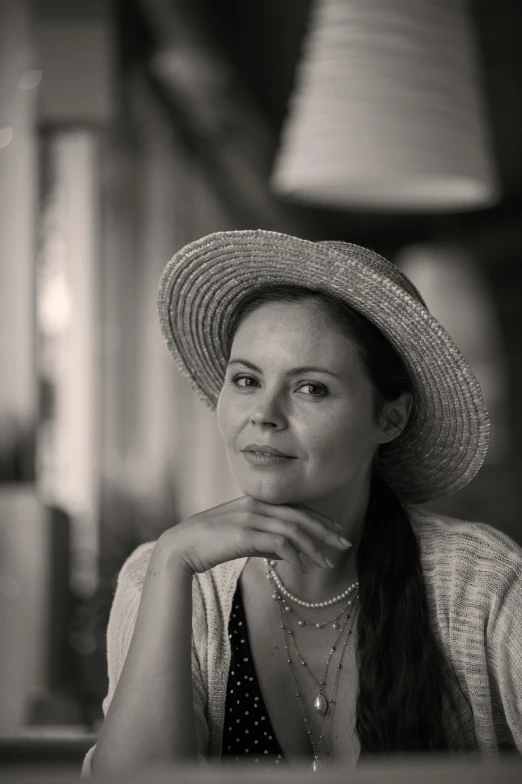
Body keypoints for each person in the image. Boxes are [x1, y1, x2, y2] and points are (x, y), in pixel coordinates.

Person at [82, 230, 522, 776]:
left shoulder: (484, 586)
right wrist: (172, 563)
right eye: (245, 379)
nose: (263, 413)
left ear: (390, 418)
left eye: (311, 388)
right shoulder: (163, 576)